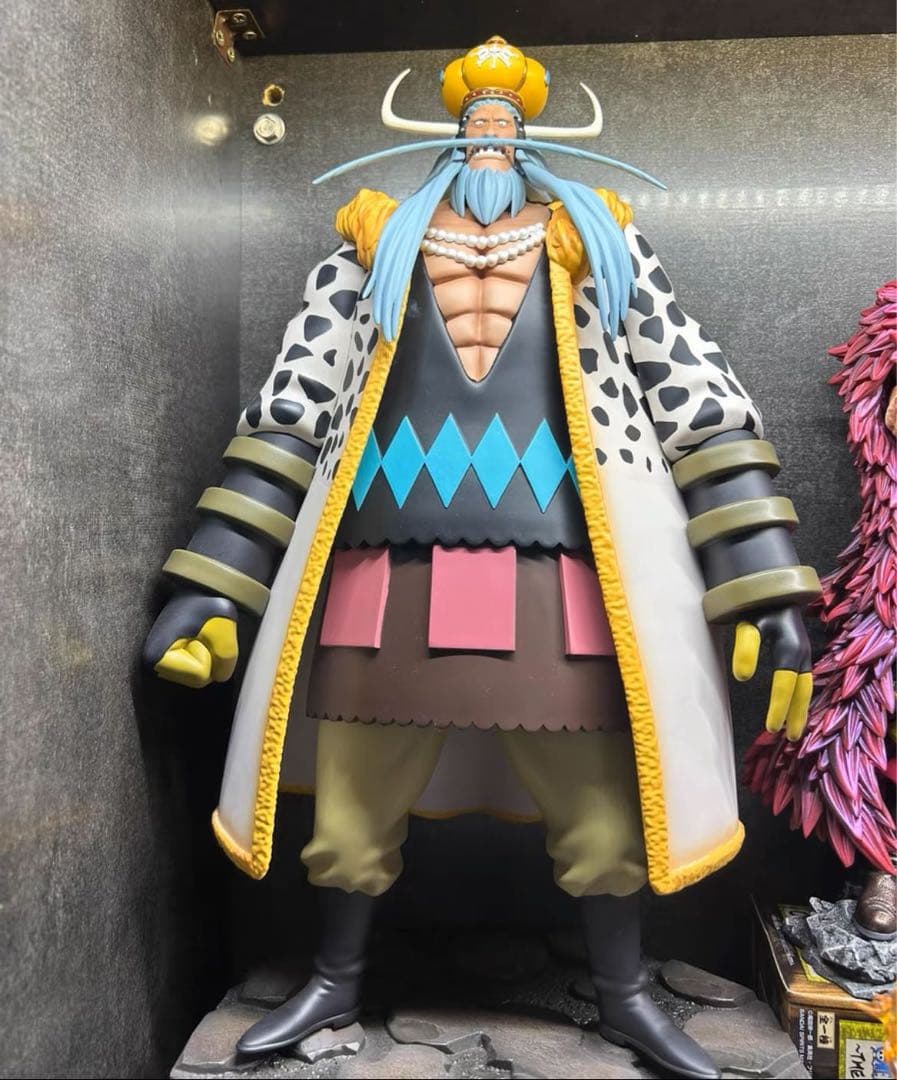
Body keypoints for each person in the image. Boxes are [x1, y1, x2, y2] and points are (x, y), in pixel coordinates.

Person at [144, 36, 820, 1080]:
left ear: (530, 134)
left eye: (507, 117)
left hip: (566, 563)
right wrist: (217, 576)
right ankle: (335, 975)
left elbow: (699, 403)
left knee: (606, 804)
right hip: (379, 558)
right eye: (477, 116)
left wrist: (763, 575)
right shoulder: (373, 245)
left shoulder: (600, 243)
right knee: (352, 801)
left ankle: (625, 992)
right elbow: (290, 410)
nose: (491, 132)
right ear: (453, 132)